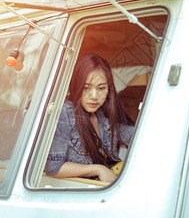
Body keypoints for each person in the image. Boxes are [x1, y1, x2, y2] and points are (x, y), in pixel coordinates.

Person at [45, 53, 135, 183]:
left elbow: (134, 135)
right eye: (86, 88)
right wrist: (98, 169)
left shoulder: (102, 114)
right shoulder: (65, 113)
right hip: (73, 191)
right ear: (76, 85)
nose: (94, 96)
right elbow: (53, 168)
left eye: (101, 88)